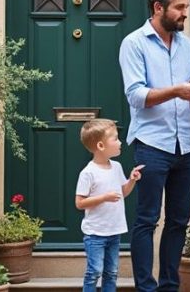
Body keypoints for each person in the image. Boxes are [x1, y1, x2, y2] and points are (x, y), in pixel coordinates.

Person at [118, 0, 190, 292]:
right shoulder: (133, 43)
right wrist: (177, 90)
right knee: (146, 221)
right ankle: (146, 287)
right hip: (152, 146)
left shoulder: (188, 47)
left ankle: (169, 286)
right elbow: (136, 96)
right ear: (159, 8)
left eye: (187, 6)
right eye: (180, 7)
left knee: (178, 222)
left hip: (185, 147)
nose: (186, 13)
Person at [75, 118, 144, 292]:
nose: (120, 142)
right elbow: (80, 203)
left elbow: (123, 193)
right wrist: (103, 197)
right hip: (95, 234)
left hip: (114, 231)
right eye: (115, 138)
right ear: (100, 146)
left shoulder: (117, 167)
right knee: (94, 272)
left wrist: (132, 180)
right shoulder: (88, 173)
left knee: (111, 272)